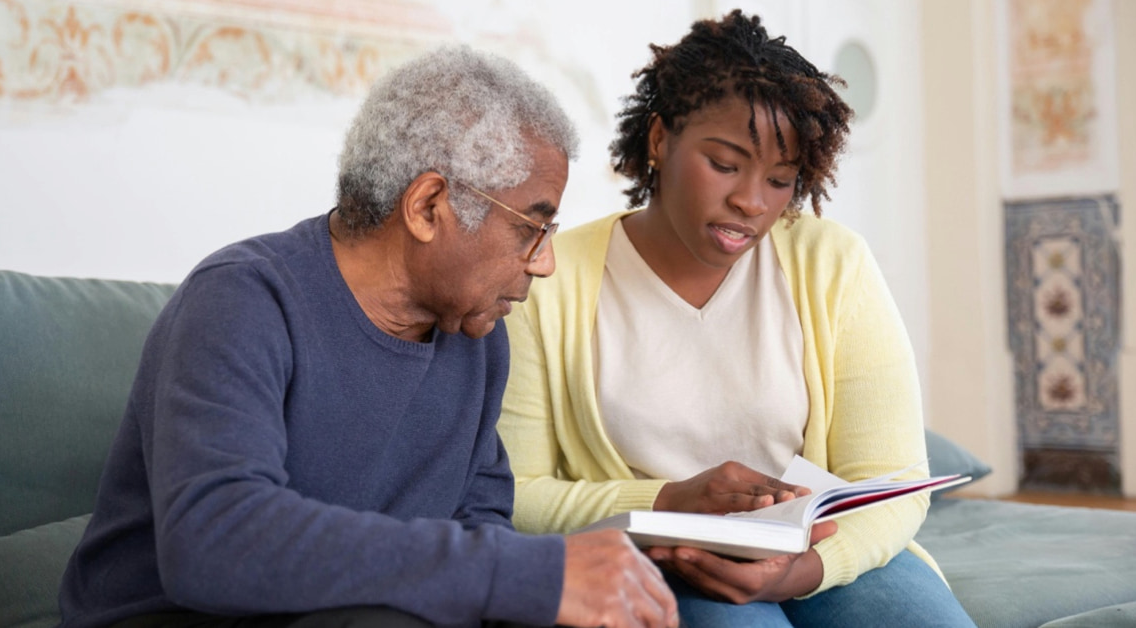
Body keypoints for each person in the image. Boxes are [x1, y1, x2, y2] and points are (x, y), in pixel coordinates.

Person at [57, 46, 681, 628]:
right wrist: (528, 571)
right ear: (428, 206)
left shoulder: (477, 336)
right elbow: (214, 541)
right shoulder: (243, 299)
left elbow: (479, 525)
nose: (544, 263)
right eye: (531, 229)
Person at [497, 11, 977, 628]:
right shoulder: (551, 279)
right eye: (724, 164)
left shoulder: (834, 264)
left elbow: (893, 479)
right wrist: (668, 501)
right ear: (660, 139)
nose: (751, 202)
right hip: (664, 560)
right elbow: (517, 494)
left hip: (823, 553)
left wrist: (808, 570)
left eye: (780, 180)